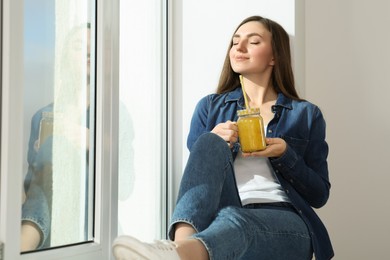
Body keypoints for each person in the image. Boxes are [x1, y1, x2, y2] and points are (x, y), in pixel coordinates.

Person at [112, 15, 334, 260]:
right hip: (224, 216)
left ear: (274, 56)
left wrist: (285, 154)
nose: (238, 47)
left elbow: (319, 195)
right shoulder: (209, 107)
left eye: (253, 41)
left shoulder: (306, 114)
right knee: (209, 143)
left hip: (286, 221)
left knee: (237, 222)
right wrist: (215, 139)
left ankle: (177, 255)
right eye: (235, 41)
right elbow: (199, 178)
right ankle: (178, 249)